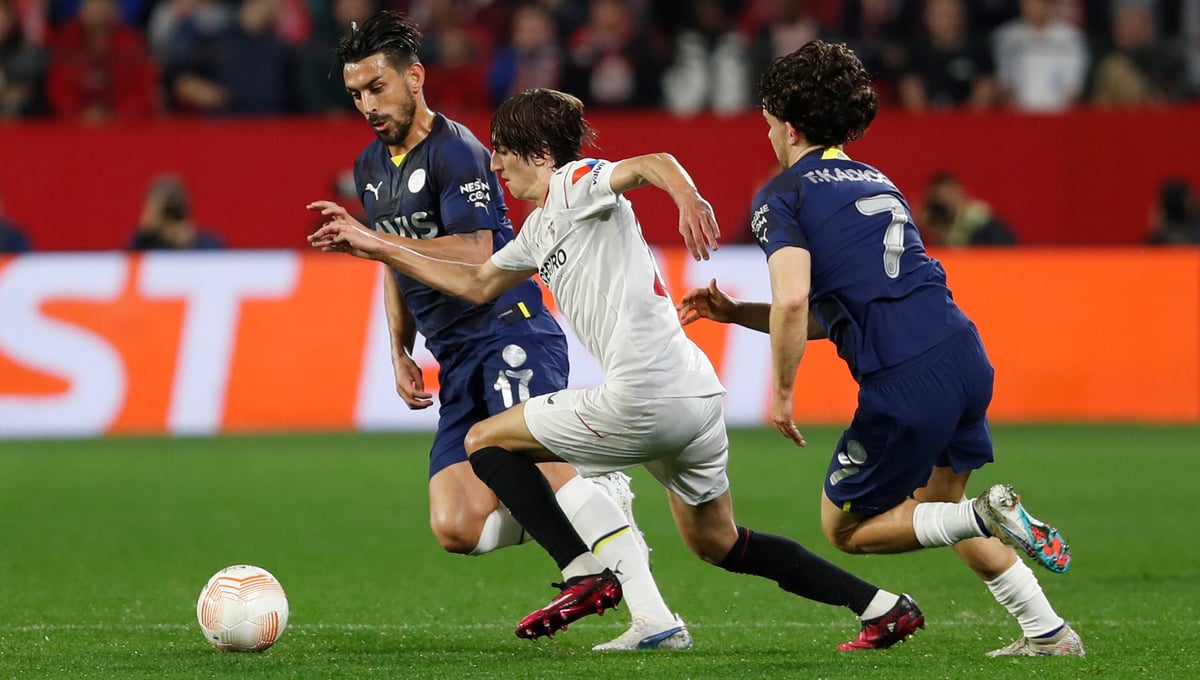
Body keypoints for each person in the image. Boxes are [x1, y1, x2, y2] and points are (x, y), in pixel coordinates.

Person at [309, 86, 925, 652]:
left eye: (503, 153)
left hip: (644, 398)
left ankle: (584, 571)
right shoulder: (538, 229)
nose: (494, 166)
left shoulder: (575, 182)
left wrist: (686, 195)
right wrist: (378, 246)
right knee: (719, 542)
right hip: (695, 397)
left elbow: (652, 162)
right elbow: (475, 283)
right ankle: (880, 606)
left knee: (486, 442)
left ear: (540, 154)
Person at [677, 40, 1084, 658]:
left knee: (845, 527)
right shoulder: (876, 179)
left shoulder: (782, 195)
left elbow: (794, 300)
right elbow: (833, 314)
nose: (769, 134)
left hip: (905, 378)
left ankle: (986, 516)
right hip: (963, 354)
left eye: (768, 123)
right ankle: (1048, 632)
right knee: (939, 509)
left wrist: (781, 391)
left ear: (789, 126)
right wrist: (737, 314)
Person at [310, 11, 688, 652]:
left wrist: (375, 241)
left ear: (414, 78)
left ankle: (651, 613)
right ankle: (570, 501)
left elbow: (476, 253)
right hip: (455, 357)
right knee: (457, 528)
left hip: (508, 334)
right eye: (356, 94)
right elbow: (394, 263)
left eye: (377, 87)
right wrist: (399, 347)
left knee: (553, 468)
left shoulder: (455, 151)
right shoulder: (370, 166)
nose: (368, 105)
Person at [128, 174, 224, 250]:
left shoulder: (209, 245)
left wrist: (188, 243)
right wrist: (144, 232)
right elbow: (125, 262)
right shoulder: (144, 244)